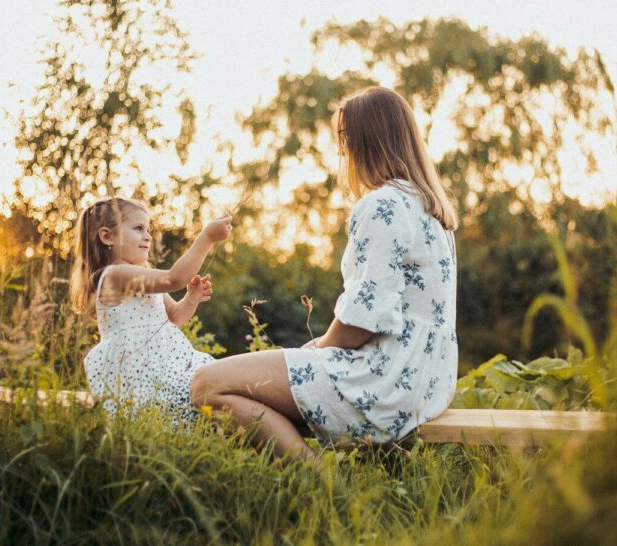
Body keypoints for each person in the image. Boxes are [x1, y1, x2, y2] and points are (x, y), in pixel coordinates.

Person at [191, 86, 459, 460]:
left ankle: (320, 486)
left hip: (384, 381)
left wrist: (313, 351)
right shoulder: (430, 209)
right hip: (425, 381)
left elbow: (364, 319)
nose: (341, 149)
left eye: (345, 138)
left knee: (206, 384)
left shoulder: (383, 204)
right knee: (259, 387)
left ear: (364, 139)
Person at [70, 196, 232, 421]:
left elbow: (174, 317)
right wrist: (207, 237)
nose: (147, 235)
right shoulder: (115, 275)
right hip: (147, 376)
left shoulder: (138, 272)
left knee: (225, 383)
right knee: (221, 387)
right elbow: (174, 278)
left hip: (168, 366)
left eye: (148, 229)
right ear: (107, 236)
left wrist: (190, 299)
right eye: (138, 228)